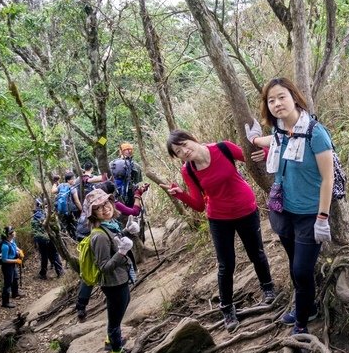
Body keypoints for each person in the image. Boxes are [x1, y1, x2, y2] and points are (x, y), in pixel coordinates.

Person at [161, 130, 276, 332]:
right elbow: (198, 204)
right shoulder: (188, 171)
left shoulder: (223, 148)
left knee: (256, 253)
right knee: (226, 265)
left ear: (193, 139)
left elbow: (252, 160)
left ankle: (268, 289)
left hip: (246, 209)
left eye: (185, 145)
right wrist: (180, 194)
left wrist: (265, 153)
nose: (185, 151)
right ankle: (227, 309)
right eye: (179, 151)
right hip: (219, 218)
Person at [245, 77, 333, 336]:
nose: (276, 103)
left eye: (281, 97)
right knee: (294, 263)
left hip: (310, 215)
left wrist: (323, 217)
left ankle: (302, 324)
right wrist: (254, 140)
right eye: (270, 100)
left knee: (301, 270)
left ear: (294, 97)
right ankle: (307, 307)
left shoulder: (315, 132)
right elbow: (272, 142)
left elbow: (327, 178)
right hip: (284, 211)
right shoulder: (281, 130)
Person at [83, 188, 134, 353]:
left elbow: (117, 242)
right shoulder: (99, 236)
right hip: (113, 283)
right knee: (115, 317)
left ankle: (111, 340)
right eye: (98, 207)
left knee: (123, 305)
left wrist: (127, 231)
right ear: (93, 214)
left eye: (106, 203)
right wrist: (122, 252)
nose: (105, 208)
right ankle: (117, 350)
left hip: (120, 278)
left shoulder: (110, 226)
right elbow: (104, 266)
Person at [30, 198, 64, 280]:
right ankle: (59, 271)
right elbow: (56, 226)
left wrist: (36, 241)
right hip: (50, 238)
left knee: (44, 256)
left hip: (41, 240)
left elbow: (34, 231)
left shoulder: (34, 217)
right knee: (54, 254)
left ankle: (43, 274)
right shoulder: (50, 214)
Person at [0, 225, 25, 308]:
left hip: (12, 264)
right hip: (7, 266)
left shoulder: (11, 240)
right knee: (8, 283)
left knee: (15, 278)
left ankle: (15, 293)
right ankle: (5, 302)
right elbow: (4, 260)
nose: (15, 232)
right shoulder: (5, 246)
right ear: (9, 234)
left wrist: (19, 250)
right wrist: (16, 261)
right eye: (13, 231)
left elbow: (14, 246)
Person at [109, 142, 143, 207]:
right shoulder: (136, 166)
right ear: (132, 152)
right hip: (130, 197)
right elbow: (137, 183)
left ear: (120, 152)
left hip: (114, 197)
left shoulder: (111, 164)